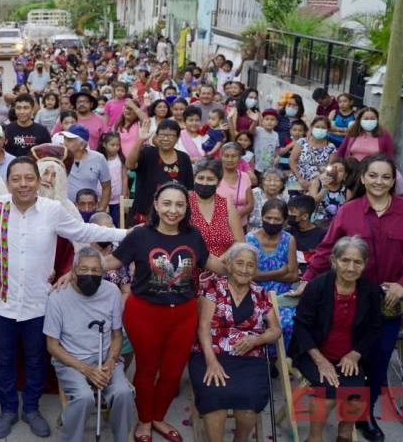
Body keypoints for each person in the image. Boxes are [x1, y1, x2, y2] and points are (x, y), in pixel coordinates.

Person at [0, 158, 127, 439]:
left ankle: (31, 409)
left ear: (38, 180)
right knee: (5, 360)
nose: (23, 184)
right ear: (7, 182)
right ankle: (8, 410)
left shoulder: (52, 210)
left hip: (38, 304)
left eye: (29, 178)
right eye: (16, 179)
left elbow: (85, 231)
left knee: (36, 360)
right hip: (2, 304)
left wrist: (127, 233)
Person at [295, 154, 403, 442]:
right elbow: (327, 249)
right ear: (363, 178)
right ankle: (340, 417)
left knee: (378, 359)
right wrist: (307, 280)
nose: (379, 181)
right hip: (349, 296)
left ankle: (363, 417)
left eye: (386, 176)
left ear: (393, 181)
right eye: (373, 175)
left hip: (388, 299)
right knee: (348, 353)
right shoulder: (349, 211)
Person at [107, 182, 226, 442]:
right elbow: (112, 261)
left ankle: (158, 417)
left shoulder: (193, 235)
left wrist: (239, 266)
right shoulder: (139, 235)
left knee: (173, 372)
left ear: (186, 208)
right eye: (167, 204)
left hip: (184, 315)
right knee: (147, 369)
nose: (173, 210)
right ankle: (144, 421)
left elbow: (209, 261)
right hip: (144, 314)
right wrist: (77, 270)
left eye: (180, 205)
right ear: (156, 205)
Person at [289, 236, 382, 442]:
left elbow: (374, 328)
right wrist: (320, 360)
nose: (351, 267)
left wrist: (355, 354)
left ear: (365, 264)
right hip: (313, 352)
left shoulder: (370, 290)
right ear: (334, 260)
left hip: (348, 356)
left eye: (357, 262)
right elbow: (301, 327)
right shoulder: (317, 286)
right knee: (328, 394)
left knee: (357, 398)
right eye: (345, 260)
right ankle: (314, 438)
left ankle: (344, 433)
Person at [189, 243, 281, 442]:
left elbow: (275, 330)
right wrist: (212, 362)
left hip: (250, 359)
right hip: (211, 353)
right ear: (229, 265)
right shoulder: (213, 287)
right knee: (214, 398)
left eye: (250, 265)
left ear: (255, 270)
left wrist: (257, 339)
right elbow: (203, 327)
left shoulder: (260, 293)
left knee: (249, 401)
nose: (244, 269)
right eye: (239, 263)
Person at [45, 247, 135, 442]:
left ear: (103, 273)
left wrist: (111, 362)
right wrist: (86, 369)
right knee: (84, 397)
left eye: (95, 270)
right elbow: (52, 346)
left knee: (123, 393)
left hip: (105, 358)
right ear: (74, 271)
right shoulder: (57, 297)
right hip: (71, 361)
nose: (90, 274)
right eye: (84, 269)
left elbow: (117, 335)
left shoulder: (112, 292)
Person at [246, 199, 299, 342]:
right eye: (268, 218)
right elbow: (248, 274)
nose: (272, 222)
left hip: (282, 297)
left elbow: (294, 275)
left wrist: (260, 275)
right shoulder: (250, 239)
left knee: (288, 323)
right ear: (262, 217)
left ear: (285, 221)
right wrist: (280, 272)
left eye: (277, 219)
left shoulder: (289, 240)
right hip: (255, 296)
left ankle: (281, 356)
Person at [126, 119, 194, 225]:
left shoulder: (184, 158)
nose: (166, 138)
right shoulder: (147, 152)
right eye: (162, 135)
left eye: (171, 135)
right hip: (144, 217)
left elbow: (189, 190)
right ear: (156, 136)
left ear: (177, 138)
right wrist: (140, 140)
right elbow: (129, 165)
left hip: (173, 217)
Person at [189, 159, 244, 258]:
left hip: (223, 263)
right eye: (200, 178)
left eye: (210, 179)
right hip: (191, 264)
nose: (204, 183)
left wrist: (219, 262)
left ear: (218, 182)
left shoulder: (226, 204)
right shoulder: (185, 203)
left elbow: (240, 242)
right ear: (194, 179)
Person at [61, 124, 111, 206]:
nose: (64, 143)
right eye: (64, 139)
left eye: (69, 140)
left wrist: (102, 207)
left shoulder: (99, 158)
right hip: (66, 209)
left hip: (89, 208)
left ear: (81, 145)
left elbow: (107, 187)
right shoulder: (60, 158)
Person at [290, 116, 336, 191]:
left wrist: (315, 183)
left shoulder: (331, 147)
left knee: (313, 198)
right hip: (296, 181)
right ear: (311, 127)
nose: (320, 129)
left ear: (328, 130)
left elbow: (329, 168)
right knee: (292, 198)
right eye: (317, 127)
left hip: (317, 185)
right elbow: (292, 161)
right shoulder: (302, 142)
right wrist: (300, 179)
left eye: (323, 128)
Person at [217, 142, 254, 222]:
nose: (230, 159)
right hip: (218, 224)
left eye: (234, 156)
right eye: (226, 156)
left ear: (240, 158)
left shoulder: (245, 177)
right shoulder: (215, 177)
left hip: (240, 224)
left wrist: (236, 216)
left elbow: (250, 204)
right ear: (221, 157)